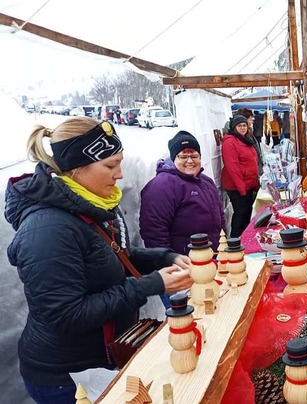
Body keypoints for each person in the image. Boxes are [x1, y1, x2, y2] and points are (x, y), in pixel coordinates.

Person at [4, 117, 194, 403]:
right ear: (77, 168)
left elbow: (110, 258)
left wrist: (165, 257)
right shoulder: (48, 229)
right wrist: (149, 285)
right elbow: (66, 314)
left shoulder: (89, 206)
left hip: (96, 362)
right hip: (66, 378)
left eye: (120, 162)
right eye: (109, 165)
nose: (119, 174)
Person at [140, 131, 225, 255]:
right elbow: (154, 231)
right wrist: (169, 261)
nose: (190, 161)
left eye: (194, 156)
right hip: (185, 263)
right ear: (174, 158)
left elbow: (220, 217)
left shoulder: (207, 182)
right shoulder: (161, 186)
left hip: (212, 257)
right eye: (184, 157)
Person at [222, 114, 259, 237]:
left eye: (244, 125)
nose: (242, 128)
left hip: (248, 184)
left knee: (246, 212)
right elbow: (233, 167)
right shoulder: (230, 142)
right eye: (239, 126)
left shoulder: (245, 139)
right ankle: (235, 240)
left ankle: (245, 238)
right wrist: (242, 189)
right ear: (234, 128)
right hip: (237, 186)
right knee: (240, 213)